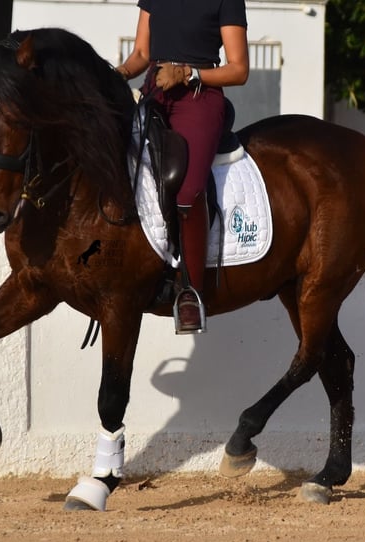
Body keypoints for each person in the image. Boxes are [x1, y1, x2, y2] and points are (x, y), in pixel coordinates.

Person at [116, 0, 250, 333]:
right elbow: (141, 54)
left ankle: (191, 290)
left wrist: (189, 73)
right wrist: (116, 75)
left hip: (198, 97)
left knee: (188, 191)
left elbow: (239, 69)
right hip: (154, 90)